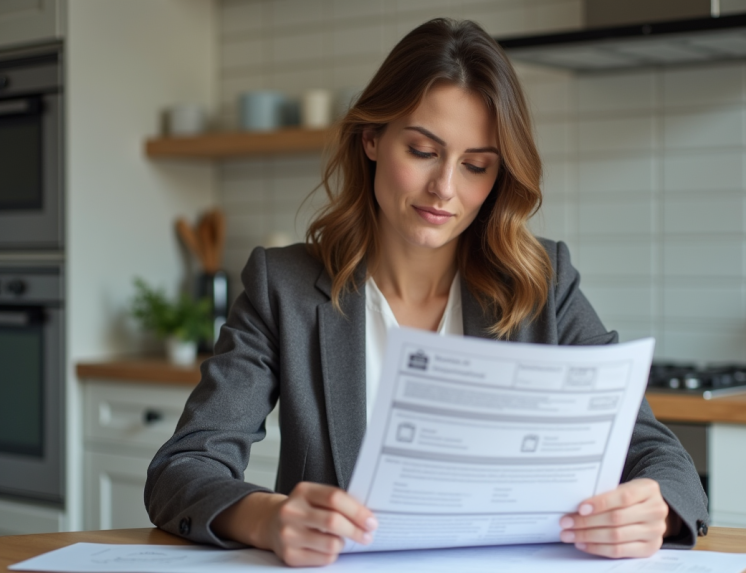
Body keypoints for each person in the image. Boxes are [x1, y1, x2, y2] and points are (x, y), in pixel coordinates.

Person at [145, 18, 708, 568]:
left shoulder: (543, 283)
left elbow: (662, 459)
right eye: (422, 150)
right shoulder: (283, 287)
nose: (444, 188)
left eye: (476, 166)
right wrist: (267, 518)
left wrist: (654, 507)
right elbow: (184, 467)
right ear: (371, 138)